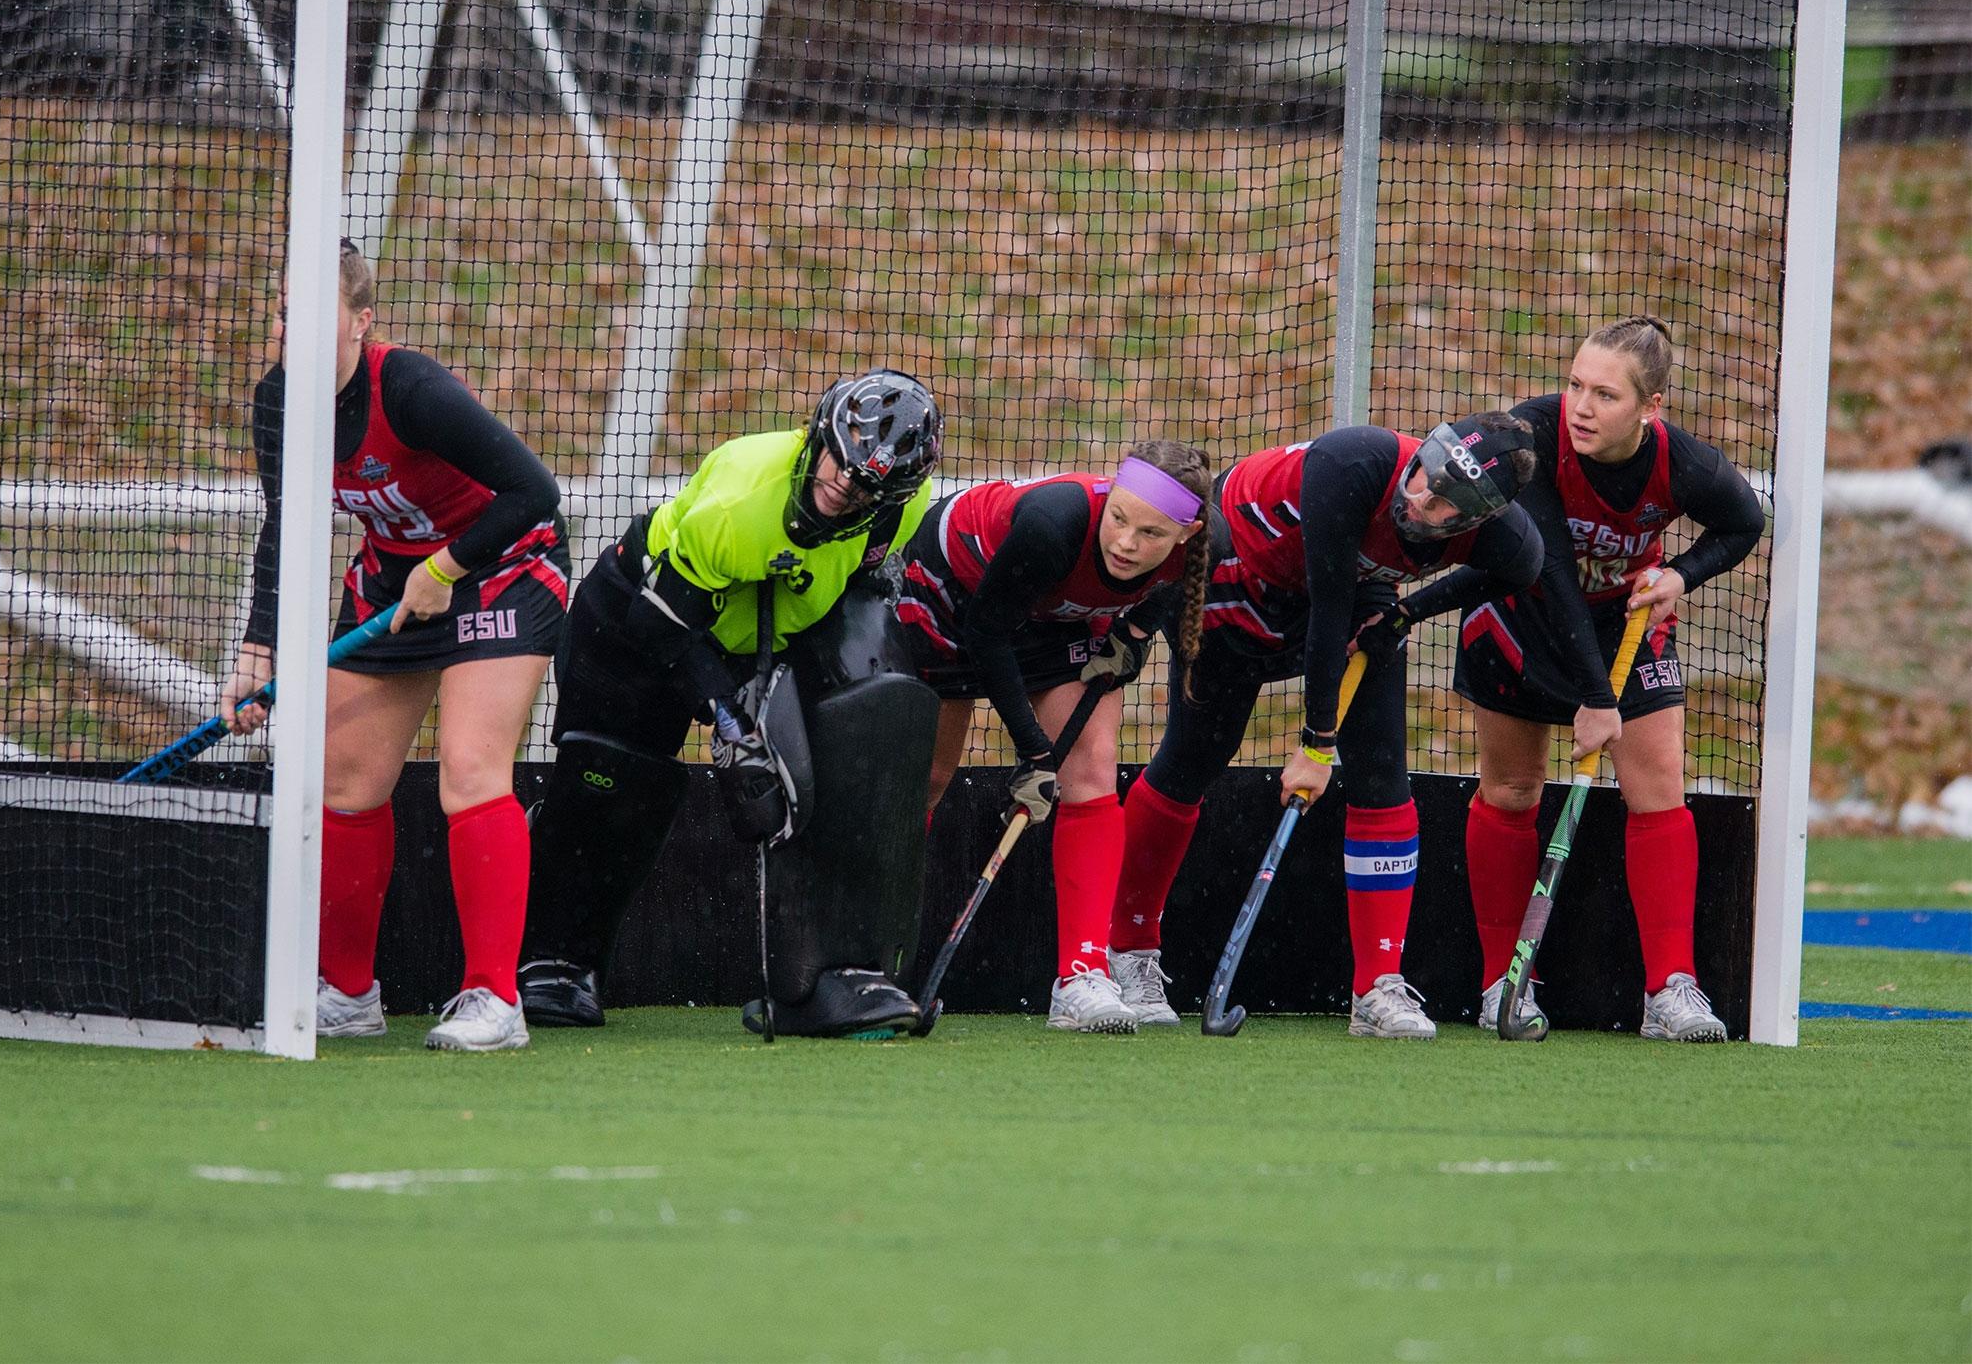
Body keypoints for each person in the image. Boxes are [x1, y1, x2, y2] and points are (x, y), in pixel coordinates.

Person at [519, 369, 944, 1038]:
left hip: (762, 633)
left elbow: (856, 594)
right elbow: (663, 629)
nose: (842, 482)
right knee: (616, 789)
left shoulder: (900, 510)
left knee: (841, 762)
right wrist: (730, 721)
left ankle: (830, 976)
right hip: (636, 621)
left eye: (864, 482)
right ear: (818, 436)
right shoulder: (743, 500)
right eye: (836, 457)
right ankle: (553, 961)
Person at [224, 238, 568, 1052]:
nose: (293, 330)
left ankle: (495, 1000)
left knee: (469, 767)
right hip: (393, 587)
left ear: (360, 321)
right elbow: (285, 522)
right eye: (282, 314)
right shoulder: (278, 404)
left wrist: (447, 565)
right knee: (344, 778)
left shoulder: (409, 388)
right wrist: (257, 650)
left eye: (314, 314)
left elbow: (534, 491)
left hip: (503, 568)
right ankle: (348, 994)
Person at [1106, 415, 1545, 1038]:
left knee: (1383, 773)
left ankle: (1377, 987)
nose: (1420, 500)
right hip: (1242, 576)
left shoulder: (1506, 538)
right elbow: (1328, 602)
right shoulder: (1355, 463)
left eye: (1444, 505)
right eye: (1424, 477)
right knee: (1192, 759)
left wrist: (1407, 613)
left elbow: (1522, 570)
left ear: (1476, 518)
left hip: (1353, 594)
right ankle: (1128, 951)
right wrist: (1315, 745)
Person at [1456, 316, 1763, 1042]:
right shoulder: (1532, 437)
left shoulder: (1683, 464)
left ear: (1650, 408)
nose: (1581, 407)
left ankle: (1671, 989)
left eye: (1604, 394)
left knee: (1658, 787)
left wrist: (1679, 575)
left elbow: (1743, 522)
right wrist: (1597, 700)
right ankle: (1504, 979)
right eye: (1574, 386)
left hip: (1625, 628)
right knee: (1512, 790)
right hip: (1522, 614)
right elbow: (1553, 572)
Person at [897, 442, 1211, 1032]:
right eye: (1119, 518)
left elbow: (1171, 588)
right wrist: (1034, 754)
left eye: (1150, 533)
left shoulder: (1196, 545)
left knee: (1091, 770)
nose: (1126, 543)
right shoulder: (1053, 522)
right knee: (929, 781)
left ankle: (1082, 976)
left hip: (1052, 614)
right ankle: (873, 959)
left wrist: (1136, 632)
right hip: (954, 591)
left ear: (1185, 534)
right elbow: (987, 633)